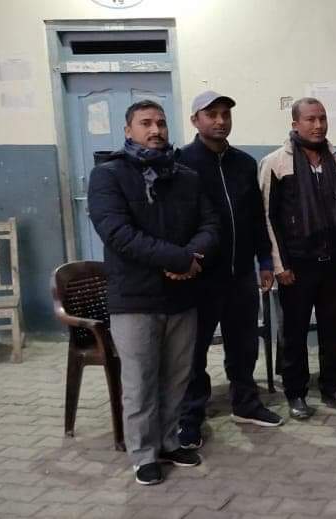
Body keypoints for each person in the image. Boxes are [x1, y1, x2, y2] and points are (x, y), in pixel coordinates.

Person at [88, 100, 218, 485]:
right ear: (128, 130)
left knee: (177, 377)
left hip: (182, 296)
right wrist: (178, 258)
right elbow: (118, 233)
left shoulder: (186, 176)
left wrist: (193, 256)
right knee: (141, 381)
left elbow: (211, 224)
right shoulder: (108, 175)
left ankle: (169, 441)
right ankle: (143, 454)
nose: (155, 130)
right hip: (135, 298)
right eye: (145, 123)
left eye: (160, 122)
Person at [175, 91, 283, 450]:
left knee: (244, 345)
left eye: (225, 114)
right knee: (194, 351)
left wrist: (264, 261)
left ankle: (245, 404)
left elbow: (256, 218)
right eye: (212, 115)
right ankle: (190, 417)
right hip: (199, 278)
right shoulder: (181, 163)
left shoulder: (244, 163)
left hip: (240, 275)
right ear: (195, 120)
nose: (220, 121)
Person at [260, 98, 336, 419]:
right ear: (295, 124)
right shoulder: (276, 163)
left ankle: (333, 388)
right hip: (296, 267)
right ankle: (296, 393)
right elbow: (267, 218)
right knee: (294, 334)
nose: (318, 125)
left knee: (333, 331)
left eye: (322, 118)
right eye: (310, 119)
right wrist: (279, 265)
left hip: (332, 264)